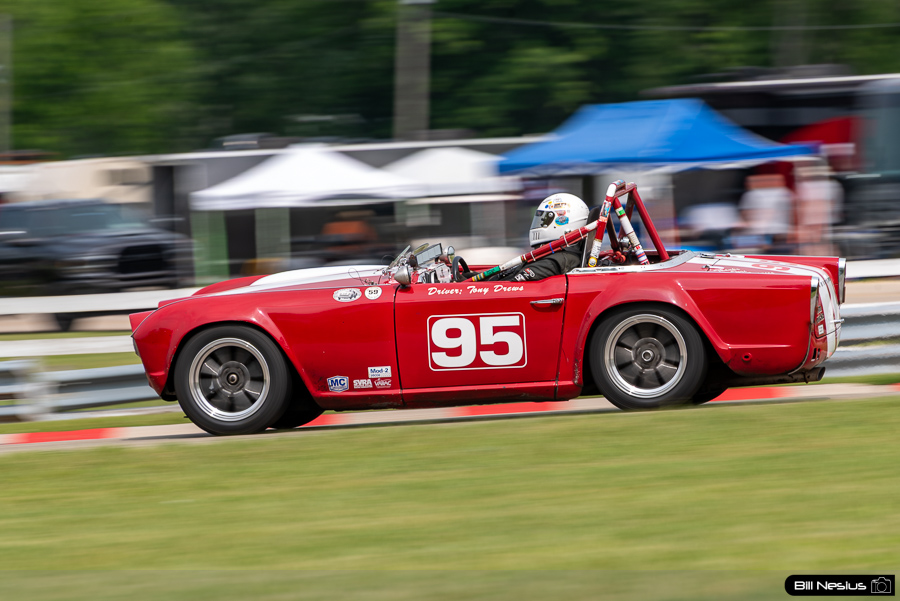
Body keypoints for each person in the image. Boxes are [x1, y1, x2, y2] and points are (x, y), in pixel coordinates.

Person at [499, 193, 590, 282]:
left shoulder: (554, 261)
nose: (538, 225)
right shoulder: (560, 256)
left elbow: (510, 286)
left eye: (543, 220)